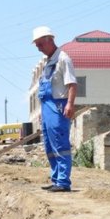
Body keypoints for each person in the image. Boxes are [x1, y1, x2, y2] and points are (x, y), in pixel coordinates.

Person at [32, 26, 77, 193]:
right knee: (49, 146)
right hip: (47, 107)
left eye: (40, 44)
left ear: (49, 40)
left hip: (58, 105)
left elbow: (72, 84)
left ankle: (64, 181)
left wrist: (70, 104)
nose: (38, 48)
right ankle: (56, 178)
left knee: (60, 143)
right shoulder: (48, 61)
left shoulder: (63, 59)